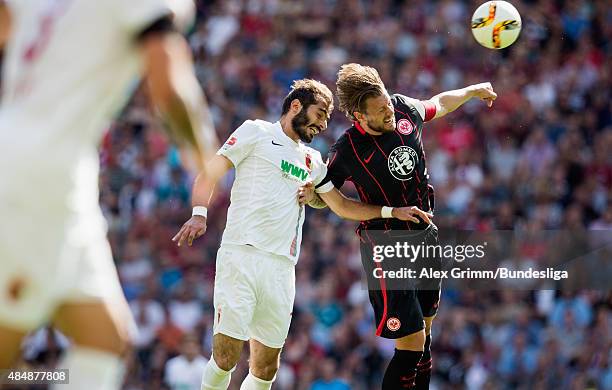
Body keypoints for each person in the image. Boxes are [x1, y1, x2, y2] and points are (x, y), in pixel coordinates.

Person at [0, 1, 217, 389]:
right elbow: (167, 76)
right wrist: (203, 154)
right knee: (5, 346)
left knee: (105, 341)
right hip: (38, 172)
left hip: (55, 172)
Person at [172, 79, 432, 390]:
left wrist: (391, 212)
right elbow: (209, 173)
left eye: (326, 118)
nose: (323, 124)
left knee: (266, 367)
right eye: (320, 114)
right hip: (242, 255)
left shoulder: (313, 160)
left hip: (282, 267)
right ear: (296, 106)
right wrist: (199, 215)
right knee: (227, 356)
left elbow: (341, 205)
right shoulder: (256, 132)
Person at [312, 63, 497, 389]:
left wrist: (470, 91)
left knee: (424, 336)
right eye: (380, 110)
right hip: (385, 244)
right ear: (359, 116)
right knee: (409, 343)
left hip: (425, 234)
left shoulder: (402, 108)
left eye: (387, 103)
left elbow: (438, 104)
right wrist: (311, 193)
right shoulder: (346, 150)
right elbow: (334, 202)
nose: (389, 112)